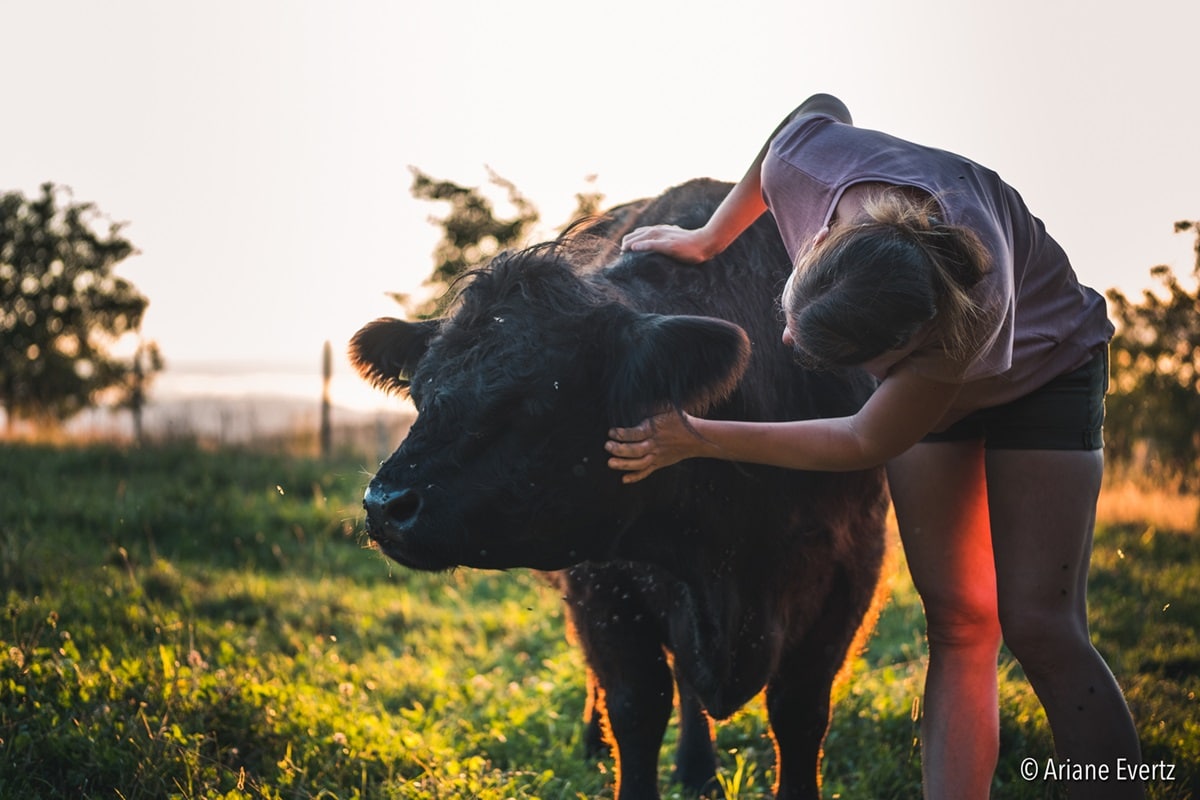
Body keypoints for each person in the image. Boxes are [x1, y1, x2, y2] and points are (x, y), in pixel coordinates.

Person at [606, 93, 1143, 800]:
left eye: (845, 360)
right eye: (794, 318)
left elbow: (862, 437)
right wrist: (711, 234)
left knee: (1039, 625)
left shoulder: (962, 318)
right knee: (957, 618)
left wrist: (698, 437)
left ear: (905, 350)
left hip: (1048, 371)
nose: (790, 342)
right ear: (823, 245)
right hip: (921, 353)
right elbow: (813, 111)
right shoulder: (808, 168)